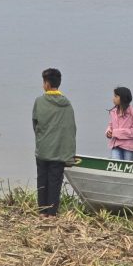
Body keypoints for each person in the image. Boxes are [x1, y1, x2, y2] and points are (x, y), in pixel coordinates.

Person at [32, 68, 77, 216]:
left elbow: (35, 124)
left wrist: (42, 138)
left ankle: (42, 211)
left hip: (43, 149)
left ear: (46, 84)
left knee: (42, 180)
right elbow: (71, 128)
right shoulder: (67, 104)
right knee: (55, 182)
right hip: (59, 151)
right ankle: (52, 213)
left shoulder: (39, 101)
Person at [106, 86, 133, 161]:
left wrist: (115, 133)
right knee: (116, 164)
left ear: (122, 98)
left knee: (126, 167)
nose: (113, 98)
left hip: (128, 147)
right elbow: (110, 125)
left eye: (116, 96)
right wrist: (108, 132)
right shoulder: (113, 112)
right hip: (115, 145)